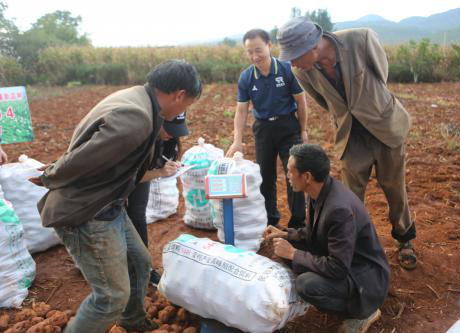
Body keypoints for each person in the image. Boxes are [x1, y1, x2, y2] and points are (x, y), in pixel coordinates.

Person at [30, 59, 202, 333]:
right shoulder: (136, 118)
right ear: (179, 95)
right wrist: (50, 175)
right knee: (110, 297)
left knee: (139, 261)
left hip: (110, 205)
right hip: (88, 212)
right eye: (186, 104)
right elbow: (84, 160)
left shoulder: (138, 99)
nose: (183, 110)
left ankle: (133, 321)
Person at [277, 17, 417, 269]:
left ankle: (404, 237)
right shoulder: (303, 72)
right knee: (350, 196)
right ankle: (350, 244)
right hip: (350, 136)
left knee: (394, 187)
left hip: (384, 125)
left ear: (312, 47)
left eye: (295, 56)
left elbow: (381, 75)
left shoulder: (360, 39)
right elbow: (324, 101)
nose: (293, 63)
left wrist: (368, 106)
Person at [264, 143, 390, 333]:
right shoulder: (319, 190)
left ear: (307, 176)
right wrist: (286, 233)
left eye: (290, 171)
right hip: (346, 262)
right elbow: (315, 231)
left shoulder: (338, 209)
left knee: (306, 284)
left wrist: (293, 253)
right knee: (287, 249)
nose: (287, 176)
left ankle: (362, 313)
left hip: (363, 278)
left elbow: (337, 268)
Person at [226, 28, 308, 228]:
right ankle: (270, 219)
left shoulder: (287, 69)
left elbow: (301, 101)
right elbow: (241, 111)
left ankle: (297, 223)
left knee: (295, 172)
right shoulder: (246, 77)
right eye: (250, 52)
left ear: (270, 46)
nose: (255, 56)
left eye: (258, 50)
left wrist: (303, 129)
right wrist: (237, 140)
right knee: (266, 175)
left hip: (288, 126)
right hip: (263, 129)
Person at [126, 113, 188, 286]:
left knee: (137, 215)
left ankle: (144, 268)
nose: (172, 134)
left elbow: (153, 166)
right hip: (117, 180)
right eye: (169, 129)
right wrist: (160, 173)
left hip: (139, 176)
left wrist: (167, 166)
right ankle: (123, 269)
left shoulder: (169, 138)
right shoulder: (139, 135)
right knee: (118, 219)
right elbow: (130, 175)